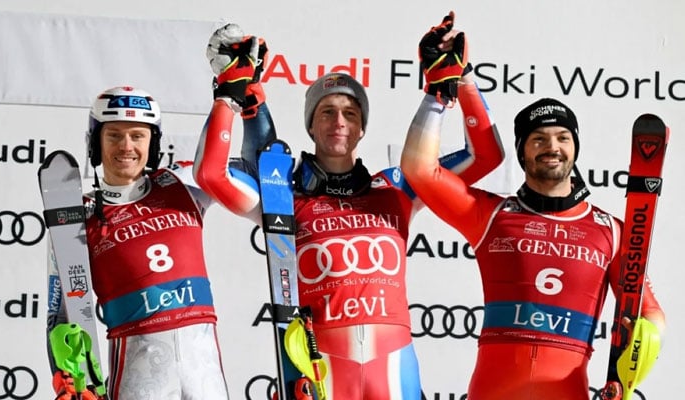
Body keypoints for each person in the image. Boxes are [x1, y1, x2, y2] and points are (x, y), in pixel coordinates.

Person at [193, 19, 503, 400]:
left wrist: (456, 83)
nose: (339, 121)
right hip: (319, 368)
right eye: (326, 112)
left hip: (393, 372)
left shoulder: (397, 188)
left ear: (362, 129)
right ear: (311, 125)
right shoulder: (282, 196)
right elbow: (211, 174)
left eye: (350, 113)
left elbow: (485, 155)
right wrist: (229, 95)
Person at [400, 12, 667, 400]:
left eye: (562, 137)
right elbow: (419, 170)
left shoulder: (610, 231)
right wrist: (446, 87)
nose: (552, 147)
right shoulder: (492, 215)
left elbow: (651, 314)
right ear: (523, 152)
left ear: (575, 148)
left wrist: (633, 367)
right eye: (538, 139)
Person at [44, 81, 272, 398]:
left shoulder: (182, 182)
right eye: (114, 135)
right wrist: (68, 377)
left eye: (138, 135)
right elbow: (60, 314)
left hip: (204, 372)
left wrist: (250, 103)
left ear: (153, 143)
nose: (126, 146)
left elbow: (261, 174)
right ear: (96, 143)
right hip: (137, 375)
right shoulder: (77, 216)